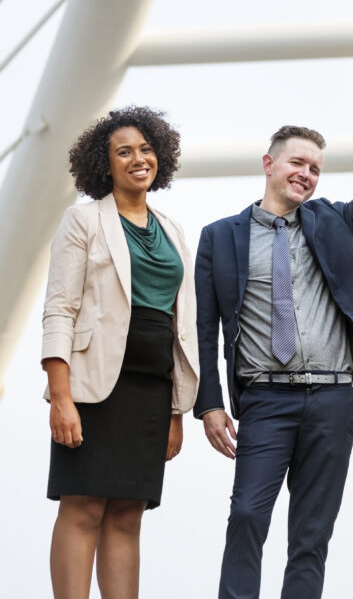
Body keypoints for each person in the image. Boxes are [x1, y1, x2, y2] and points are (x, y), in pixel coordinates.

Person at [193, 65, 353, 599]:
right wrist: (209, 403)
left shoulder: (332, 222)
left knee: (311, 534)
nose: (307, 174)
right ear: (269, 164)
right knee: (247, 514)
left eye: (315, 168)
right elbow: (204, 328)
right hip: (264, 400)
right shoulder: (220, 237)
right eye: (298, 162)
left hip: (331, 398)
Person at [42, 106, 199, 599]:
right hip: (94, 384)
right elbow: (59, 311)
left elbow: (180, 325)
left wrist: (177, 410)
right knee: (84, 504)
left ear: (160, 157)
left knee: (129, 510)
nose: (138, 158)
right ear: (104, 165)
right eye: (123, 151)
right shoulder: (83, 220)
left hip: (152, 388)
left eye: (146, 149)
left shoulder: (173, 230)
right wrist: (61, 395)